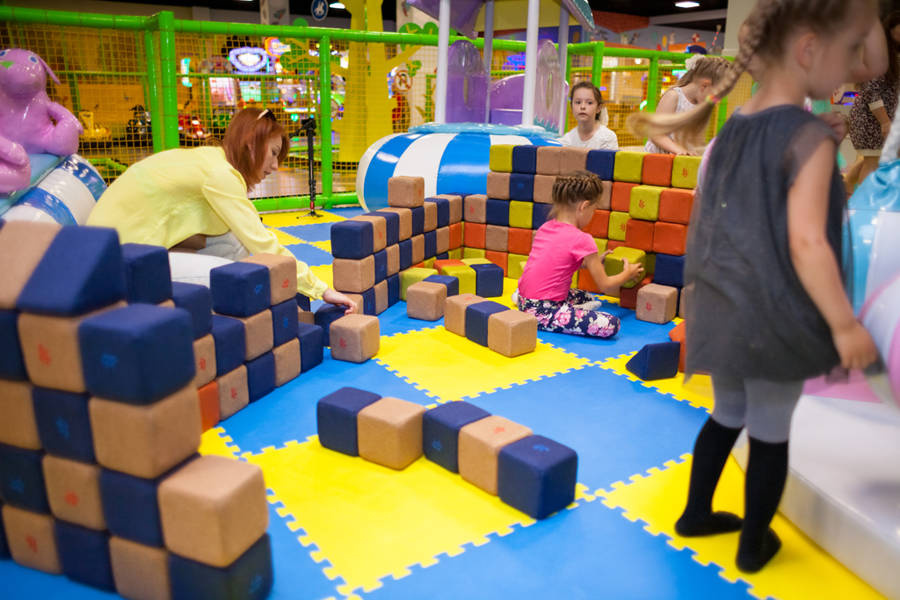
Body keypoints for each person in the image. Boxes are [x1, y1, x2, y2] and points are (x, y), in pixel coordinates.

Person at [630, 0, 880, 574]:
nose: (850, 69)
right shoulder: (805, 137)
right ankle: (753, 545)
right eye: (844, 53)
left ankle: (696, 513)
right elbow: (807, 243)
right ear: (809, 51)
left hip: (722, 303)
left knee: (728, 412)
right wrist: (844, 325)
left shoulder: (733, 127)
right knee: (770, 429)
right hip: (773, 313)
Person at [87, 107, 356, 313]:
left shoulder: (210, 160)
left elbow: (242, 239)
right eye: (274, 153)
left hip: (118, 250)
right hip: (117, 265)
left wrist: (288, 285)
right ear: (251, 143)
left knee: (235, 244)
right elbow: (263, 243)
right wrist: (322, 290)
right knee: (237, 278)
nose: (276, 166)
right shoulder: (220, 175)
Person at [516, 172, 643, 338]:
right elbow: (605, 285)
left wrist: (593, 262)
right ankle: (557, 314)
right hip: (542, 312)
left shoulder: (545, 227)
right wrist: (628, 273)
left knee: (586, 297)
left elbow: (558, 262)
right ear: (584, 206)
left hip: (524, 300)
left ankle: (556, 309)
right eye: (594, 209)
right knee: (611, 324)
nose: (593, 214)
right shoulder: (583, 239)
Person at [846, 10, 900, 190]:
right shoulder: (881, 54)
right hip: (871, 118)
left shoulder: (893, 53)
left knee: (873, 159)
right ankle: (865, 201)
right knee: (872, 161)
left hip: (883, 117)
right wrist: (885, 122)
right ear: (891, 30)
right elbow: (872, 90)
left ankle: (846, 190)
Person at [640, 55, 732, 155]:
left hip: (679, 159)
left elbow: (694, 139)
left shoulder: (701, 107)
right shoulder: (673, 97)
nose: (717, 101)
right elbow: (655, 133)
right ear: (704, 85)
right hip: (657, 158)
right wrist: (679, 150)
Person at [559, 81, 618, 150]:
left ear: (598, 108)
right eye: (578, 102)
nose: (582, 106)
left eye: (589, 103)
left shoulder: (607, 138)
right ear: (571, 107)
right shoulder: (567, 140)